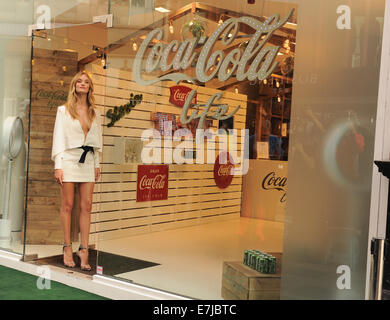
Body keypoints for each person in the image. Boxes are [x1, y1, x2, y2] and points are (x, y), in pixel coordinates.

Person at [51, 71, 102, 271]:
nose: (82, 84)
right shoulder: (63, 110)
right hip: (69, 160)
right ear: (74, 85)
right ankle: (67, 247)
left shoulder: (94, 112)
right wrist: (58, 166)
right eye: (79, 81)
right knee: (68, 205)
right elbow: (59, 138)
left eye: (86, 82)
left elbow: (97, 141)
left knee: (87, 206)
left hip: (88, 161)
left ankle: (84, 249)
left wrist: (97, 163)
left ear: (90, 87)